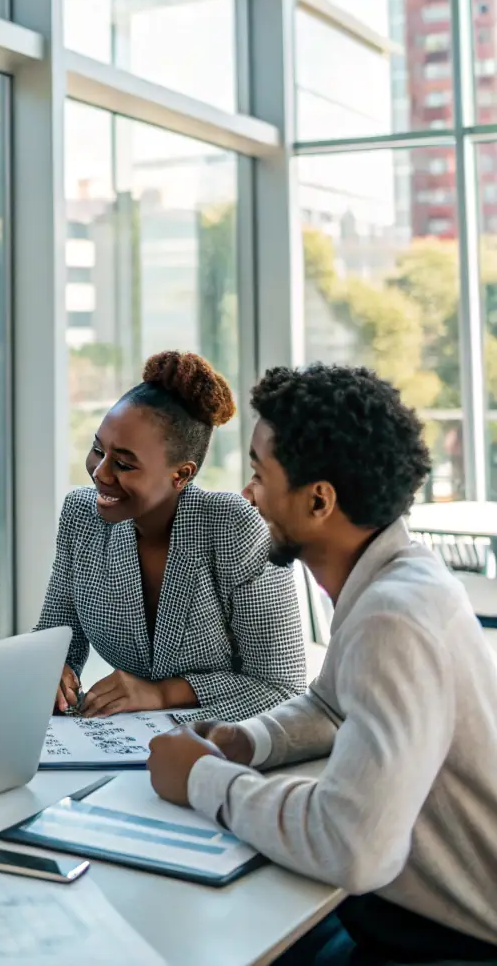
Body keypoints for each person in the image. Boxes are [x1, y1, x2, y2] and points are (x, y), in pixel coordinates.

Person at [148, 363, 497, 965]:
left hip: (448, 945)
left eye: (259, 475)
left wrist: (202, 780)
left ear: (318, 500)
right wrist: (245, 741)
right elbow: (335, 706)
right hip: (404, 919)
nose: (246, 495)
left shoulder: (393, 619)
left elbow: (353, 846)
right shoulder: (397, 579)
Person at [37, 351, 306, 723]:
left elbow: (282, 686)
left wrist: (163, 694)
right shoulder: (82, 517)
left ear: (182, 474)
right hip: (125, 745)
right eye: (99, 449)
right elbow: (54, 641)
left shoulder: (233, 527)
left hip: (223, 751)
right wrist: (51, 673)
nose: (100, 472)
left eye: (124, 464)